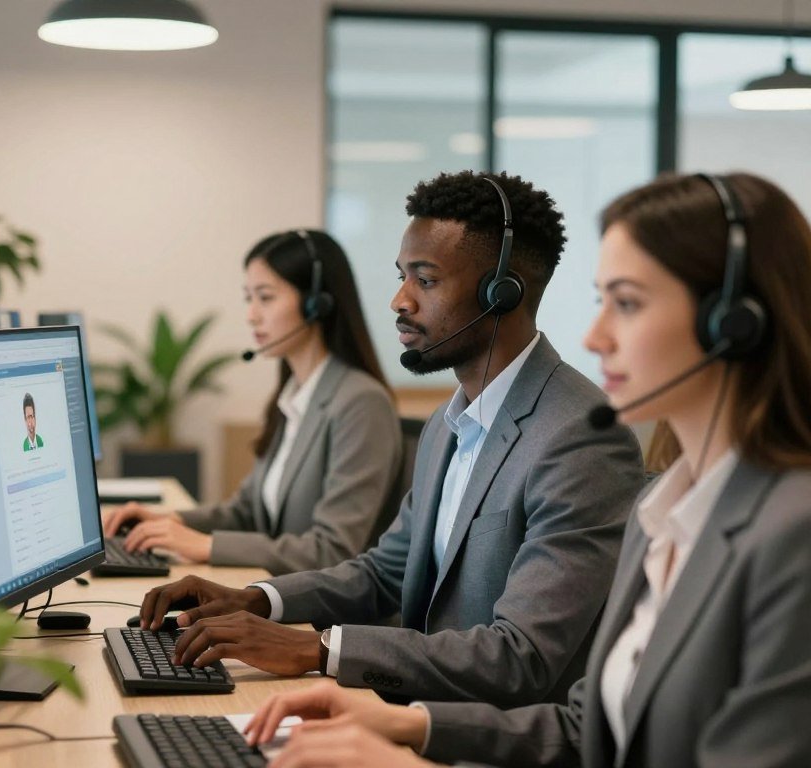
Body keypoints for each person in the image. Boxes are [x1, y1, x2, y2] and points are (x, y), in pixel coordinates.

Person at [244, 172, 811, 768]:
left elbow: (524, 660)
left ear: (732, 323)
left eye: (627, 303)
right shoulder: (663, 513)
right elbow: (585, 729)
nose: (595, 337)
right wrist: (404, 724)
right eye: (601, 302)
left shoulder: (788, 538)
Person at [137, 171, 645, 706]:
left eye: (424, 280)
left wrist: (318, 650)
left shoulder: (579, 438)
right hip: (408, 712)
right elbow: (386, 572)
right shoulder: (448, 424)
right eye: (402, 277)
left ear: (503, 292)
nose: (398, 301)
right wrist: (255, 600)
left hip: (481, 740)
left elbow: (519, 657)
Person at [103, 230, 402, 575]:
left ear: (316, 303)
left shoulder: (361, 403)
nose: (251, 315)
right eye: (249, 298)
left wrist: (206, 546)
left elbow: (332, 550)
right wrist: (168, 521)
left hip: (329, 618)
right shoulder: (293, 396)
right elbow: (246, 512)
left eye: (265, 297)